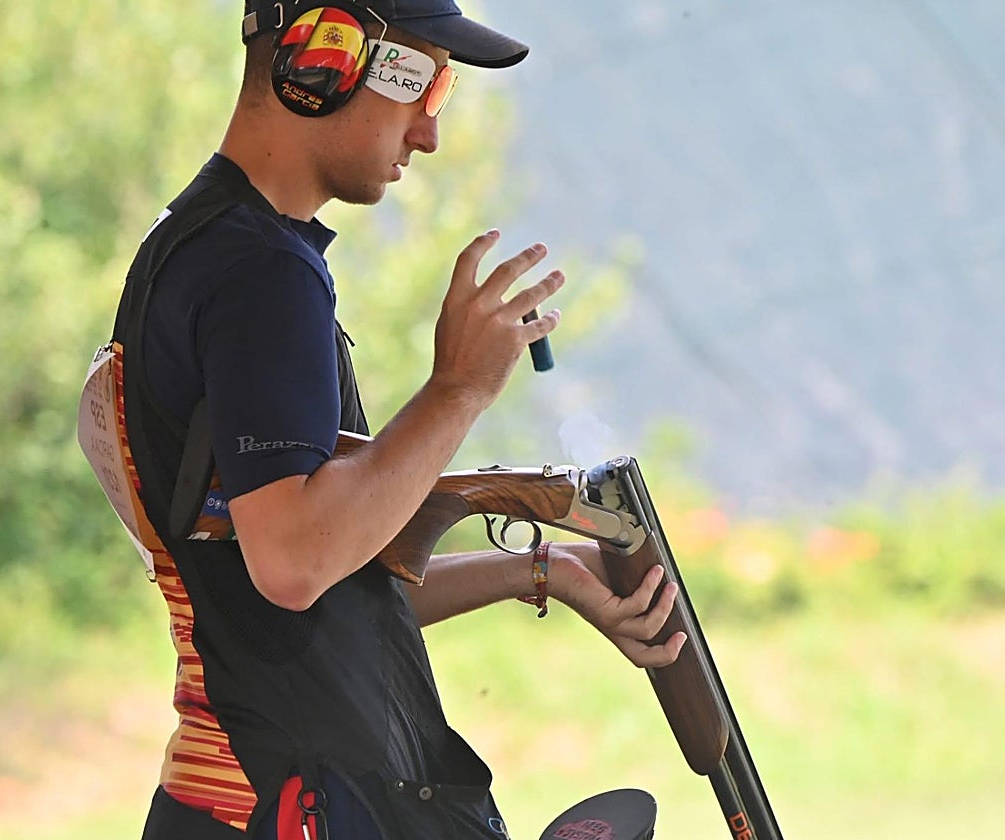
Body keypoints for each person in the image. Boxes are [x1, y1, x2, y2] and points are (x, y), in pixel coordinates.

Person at [93, 2, 687, 837]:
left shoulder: (204, 245)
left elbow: (319, 593)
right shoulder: (263, 272)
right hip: (303, 801)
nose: (429, 132)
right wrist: (458, 391)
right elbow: (296, 565)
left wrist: (541, 569)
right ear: (319, 60)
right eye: (419, 80)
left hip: (252, 792)